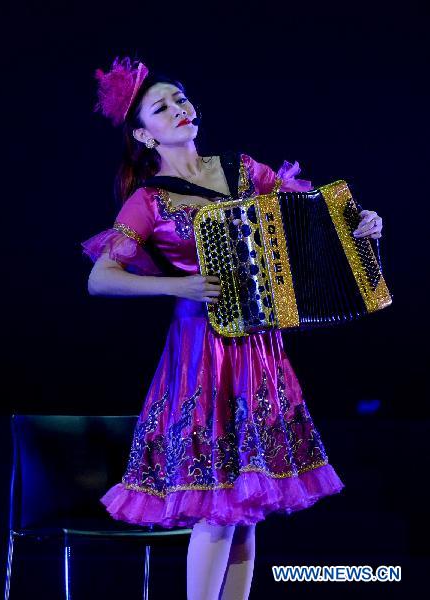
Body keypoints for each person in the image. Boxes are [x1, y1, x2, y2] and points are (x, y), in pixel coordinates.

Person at [82, 58, 383, 600]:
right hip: (201, 351)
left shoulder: (245, 171)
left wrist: (360, 224)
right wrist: (180, 287)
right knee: (217, 506)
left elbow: (312, 217)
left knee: (247, 510)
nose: (179, 109)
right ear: (143, 135)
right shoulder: (149, 200)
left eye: (181, 99)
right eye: (162, 107)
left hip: (259, 349)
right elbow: (101, 279)